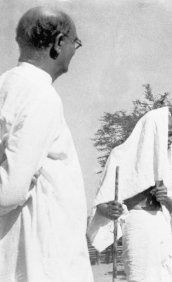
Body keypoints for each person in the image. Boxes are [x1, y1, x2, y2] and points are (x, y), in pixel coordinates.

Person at [0, 7, 93, 282]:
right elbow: (11, 190)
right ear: (58, 43)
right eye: (75, 43)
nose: (75, 51)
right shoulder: (40, 94)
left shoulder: (6, 85)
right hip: (42, 258)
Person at [87, 107, 172, 282]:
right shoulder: (120, 156)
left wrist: (166, 199)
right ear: (155, 131)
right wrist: (110, 210)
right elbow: (101, 203)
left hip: (161, 227)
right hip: (138, 226)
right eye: (168, 134)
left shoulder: (163, 164)